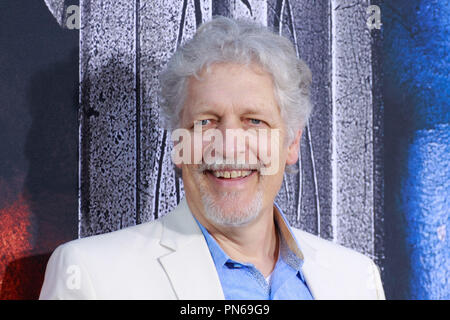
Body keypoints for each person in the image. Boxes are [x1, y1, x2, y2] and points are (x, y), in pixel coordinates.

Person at [39, 16, 385, 300]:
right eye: (206, 121)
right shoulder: (91, 276)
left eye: (255, 121)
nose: (230, 146)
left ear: (291, 143)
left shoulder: (356, 279)